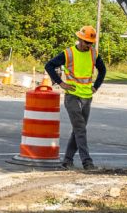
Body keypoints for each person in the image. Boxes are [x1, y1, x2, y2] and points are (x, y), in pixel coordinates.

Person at [45, 25, 107, 171]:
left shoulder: (93, 54)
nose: (89, 45)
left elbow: (103, 70)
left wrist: (96, 86)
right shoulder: (69, 53)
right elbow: (49, 65)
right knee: (80, 128)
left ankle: (67, 161)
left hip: (87, 97)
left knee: (78, 130)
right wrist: (61, 83)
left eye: (91, 43)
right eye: (86, 42)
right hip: (72, 97)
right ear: (79, 39)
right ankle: (87, 162)